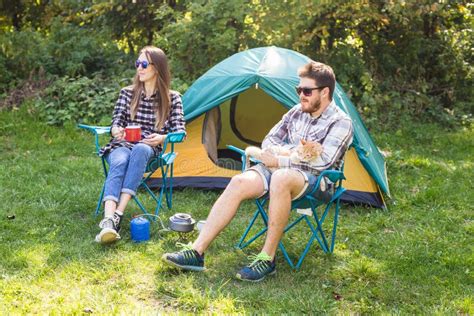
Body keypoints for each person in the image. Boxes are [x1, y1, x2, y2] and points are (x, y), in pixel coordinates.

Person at [162, 61, 353, 282]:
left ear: (325, 92)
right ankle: (196, 251)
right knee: (239, 182)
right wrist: (285, 153)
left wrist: (282, 159)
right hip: (277, 168)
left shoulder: (341, 122)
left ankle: (267, 258)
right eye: (298, 90)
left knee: (281, 178)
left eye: (307, 91)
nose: (301, 95)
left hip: (317, 181)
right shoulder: (296, 112)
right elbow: (269, 140)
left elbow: (324, 163)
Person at [95, 46, 185, 245]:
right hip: (122, 144)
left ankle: (118, 214)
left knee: (141, 149)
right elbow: (116, 122)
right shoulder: (127, 93)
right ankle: (108, 220)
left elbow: (180, 133)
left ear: (157, 68)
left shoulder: (173, 98)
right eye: (137, 64)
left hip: (148, 149)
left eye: (144, 64)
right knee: (120, 159)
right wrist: (116, 130)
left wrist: (162, 138)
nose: (139, 68)